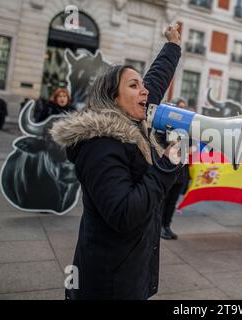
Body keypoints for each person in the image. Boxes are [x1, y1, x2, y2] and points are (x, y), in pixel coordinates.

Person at [50, 25, 182, 300]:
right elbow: (123, 213)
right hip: (108, 282)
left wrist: (172, 46)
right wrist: (165, 166)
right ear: (112, 99)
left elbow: (154, 82)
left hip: (128, 271)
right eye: (134, 86)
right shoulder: (100, 144)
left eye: (142, 85)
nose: (145, 91)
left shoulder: (131, 117)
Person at [160, 97, 189, 240]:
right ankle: (160, 226)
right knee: (164, 201)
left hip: (180, 173)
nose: (182, 110)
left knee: (172, 202)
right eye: (180, 107)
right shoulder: (166, 126)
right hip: (168, 171)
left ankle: (167, 226)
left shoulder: (187, 129)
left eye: (184, 107)